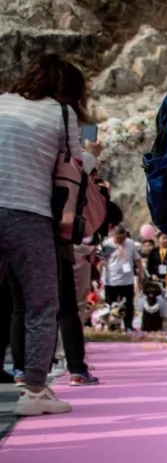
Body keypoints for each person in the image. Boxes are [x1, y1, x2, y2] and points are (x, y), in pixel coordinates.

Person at [0, 53, 98, 415]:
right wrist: (92, 154)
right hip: (30, 214)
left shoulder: (2, 103)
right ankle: (36, 391)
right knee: (42, 304)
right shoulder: (63, 114)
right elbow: (75, 166)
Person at [100, 226, 140, 332]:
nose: (121, 241)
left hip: (127, 279)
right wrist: (99, 277)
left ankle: (128, 326)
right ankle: (111, 326)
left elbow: (137, 259)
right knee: (110, 305)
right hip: (111, 279)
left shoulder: (130, 243)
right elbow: (101, 262)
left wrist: (141, 271)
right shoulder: (108, 244)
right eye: (118, 239)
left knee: (128, 304)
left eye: (123, 238)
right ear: (113, 235)